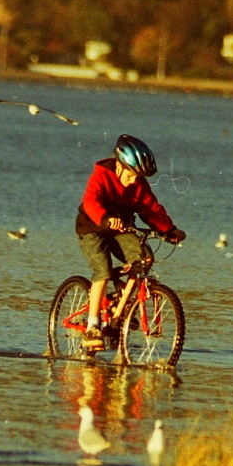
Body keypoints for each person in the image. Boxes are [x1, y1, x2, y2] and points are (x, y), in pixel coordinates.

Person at [75, 134, 186, 350]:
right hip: (92, 228)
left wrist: (169, 230)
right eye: (132, 175)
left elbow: (151, 209)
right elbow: (91, 202)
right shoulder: (102, 176)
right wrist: (106, 219)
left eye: (139, 177)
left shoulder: (139, 184)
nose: (135, 181)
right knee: (103, 272)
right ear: (119, 165)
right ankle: (92, 327)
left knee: (145, 258)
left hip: (122, 229)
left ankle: (123, 307)